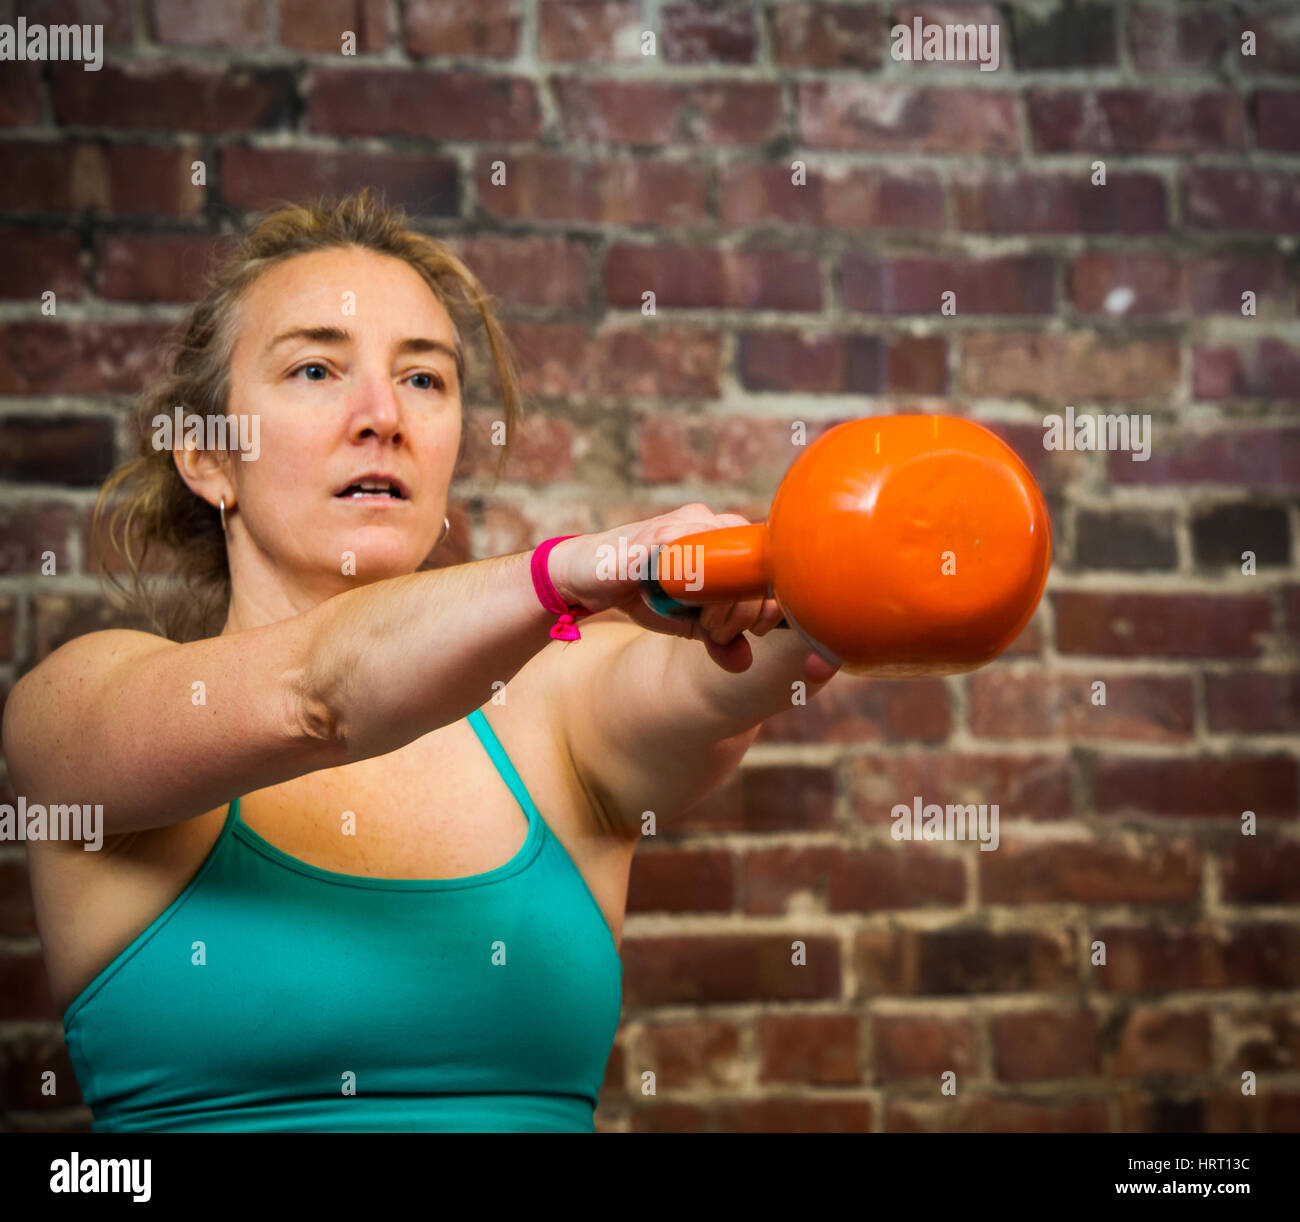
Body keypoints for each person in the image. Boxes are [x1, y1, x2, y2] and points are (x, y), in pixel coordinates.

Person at [1, 188, 840, 1133]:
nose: (382, 416)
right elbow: (315, 694)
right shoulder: (76, 702)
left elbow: (742, 669)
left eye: (426, 380)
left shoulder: (553, 705)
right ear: (207, 456)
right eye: (316, 370)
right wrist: (566, 571)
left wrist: (823, 580)